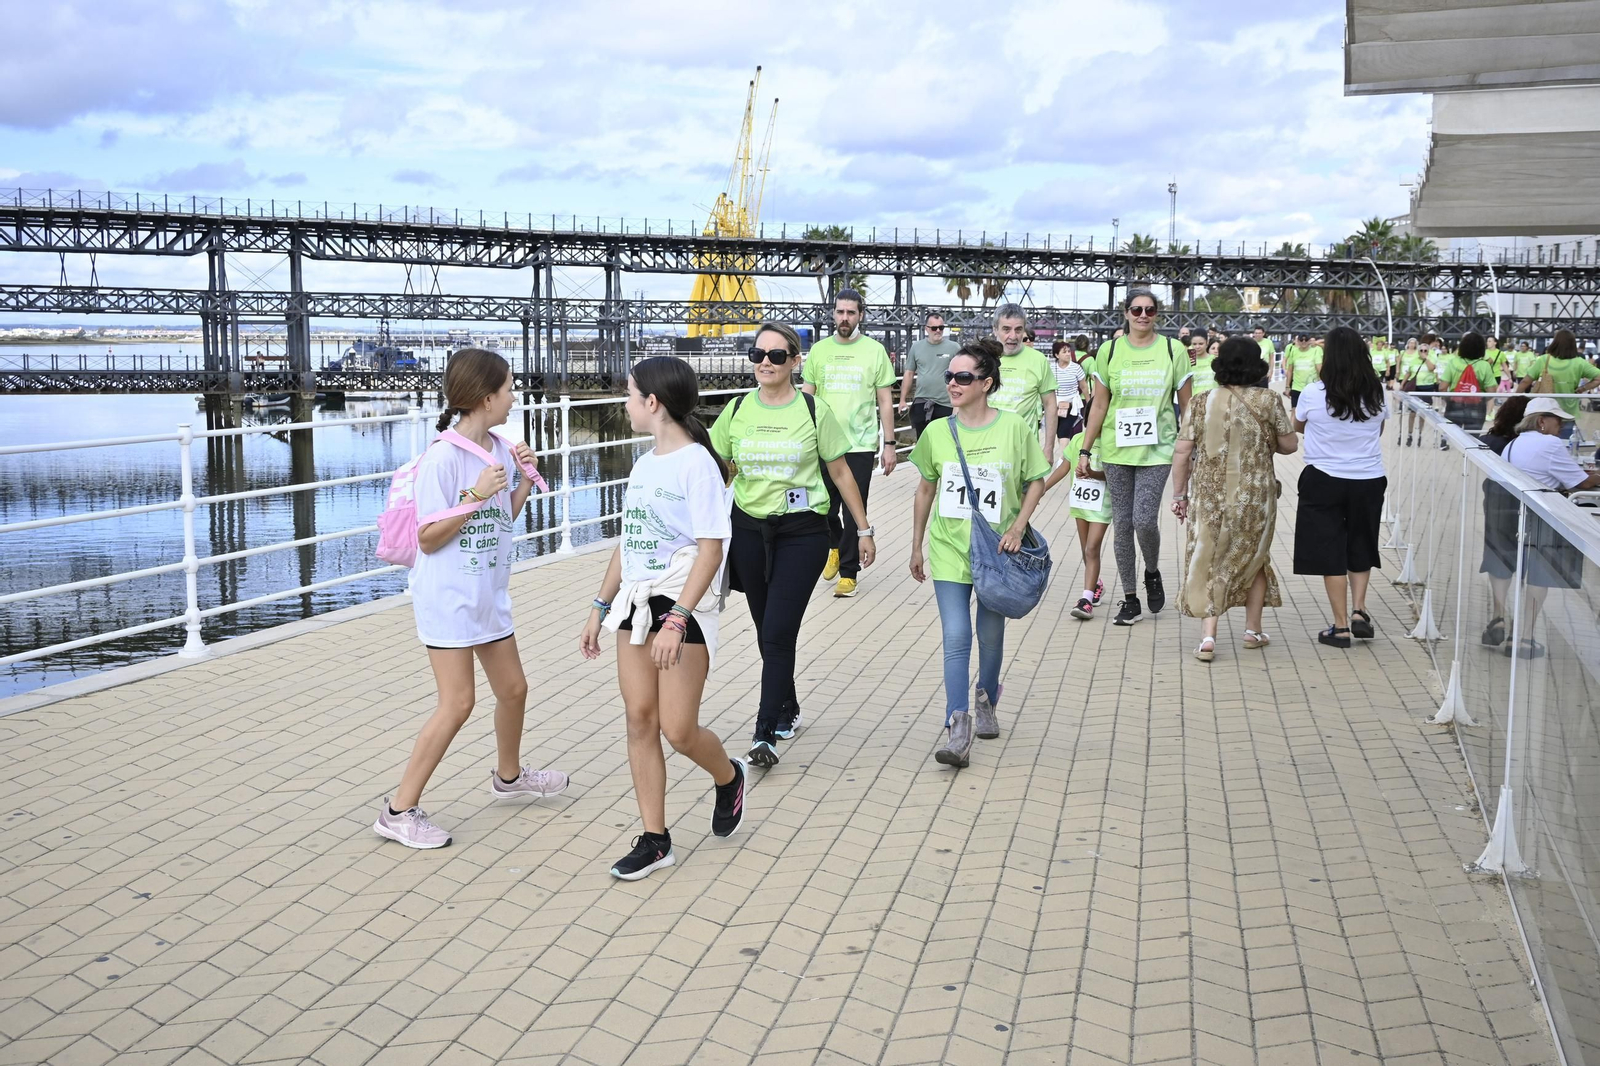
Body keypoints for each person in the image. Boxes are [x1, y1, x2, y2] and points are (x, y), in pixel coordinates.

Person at [375, 348, 568, 850]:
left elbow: (503, 518)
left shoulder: (500, 447)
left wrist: (524, 479)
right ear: (486, 397)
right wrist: (474, 495)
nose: (514, 397)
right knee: (458, 702)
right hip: (448, 596)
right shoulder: (442, 458)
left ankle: (508, 778)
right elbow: (428, 538)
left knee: (514, 689)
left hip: (487, 589)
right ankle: (399, 810)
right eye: (508, 389)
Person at [579, 357, 746, 880]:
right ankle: (656, 839)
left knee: (678, 728)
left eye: (629, 395)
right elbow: (630, 543)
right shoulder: (645, 463)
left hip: (680, 602)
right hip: (635, 600)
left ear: (653, 403)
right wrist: (599, 606)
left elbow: (711, 551)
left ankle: (728, 776)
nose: (625, 404)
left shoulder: (697, 463)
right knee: (639, 720)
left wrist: (677, 619)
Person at [714, 322, 876, 767]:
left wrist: (862, 529)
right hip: (748, 530)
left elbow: (841, 472)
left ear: (795, 361)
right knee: (768, 629)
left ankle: (764, 733)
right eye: (757, 354)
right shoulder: (735, 410)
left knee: (779, 631)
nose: (765, 362)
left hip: (803, 532)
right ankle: (788, 706)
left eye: (777, 355)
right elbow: (719, 470)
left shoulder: (813, 410)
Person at [908, 339, 1048, 767]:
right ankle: (957, 723)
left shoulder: (1013, 429)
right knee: (956, 636)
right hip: (950, 548)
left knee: (990, 635)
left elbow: (1037, 480)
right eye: (950, 376)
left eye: (963, 377)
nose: (952, 383)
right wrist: (915, 544)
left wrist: (1019, 525)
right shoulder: (935, 432)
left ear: (986, 384)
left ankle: (986, 697)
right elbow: (926, 488)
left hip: (997, 551)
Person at [1170, 339, 1299, 660]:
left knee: (1211, 558)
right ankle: (1252, 632)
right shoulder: (1268, 401)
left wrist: (1179, 494)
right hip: (1255, 498)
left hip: (1209, 497)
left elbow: (1182, 452)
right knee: (1254, 557)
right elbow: (1289, 445)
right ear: (1256, 366)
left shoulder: (1200, 402)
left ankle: (1208, 638)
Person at [1078, 289, 1193, 626]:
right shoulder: (1109, 351)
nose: (1143, 315)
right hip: (1116, 450)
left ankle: (1152, 571)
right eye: (1136, 309)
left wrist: (1191, 447)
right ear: (1126, 313)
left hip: (1158, 450)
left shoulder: (1174, 350)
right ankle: (1130, 598)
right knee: (1123, 525)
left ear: (1158, 314)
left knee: (1144, 519)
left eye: (1150, 310)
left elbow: (1187, 406)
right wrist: (1085, 449)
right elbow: (1099, 404)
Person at [1292, 328, 1389, 648]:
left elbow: (1297, 426)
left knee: (1330, 552)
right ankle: (1360, 611)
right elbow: (1380, 429)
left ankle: (1341, 626)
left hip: (1324, 479)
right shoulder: (1377, 392)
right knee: (1361, 544)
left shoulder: (1313, 392)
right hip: (1369, 479)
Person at [803, 289, 895, 598]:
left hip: (860, 443)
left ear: (860, 315)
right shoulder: (819, 351)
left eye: (851, 313)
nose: (845, 318)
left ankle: (848, 572)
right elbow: (808, 396)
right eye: (840, 312)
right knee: (821, 506)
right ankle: (834, 545)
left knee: (854, 508)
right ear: (834, 313)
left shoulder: (874, 351)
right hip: (823, 442)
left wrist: (890, 443)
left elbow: (885, 400)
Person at [1493, 396, 1600, 657]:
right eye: (1557, 420)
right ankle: (1525, 637)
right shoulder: (1550, 443)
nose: (1561, 425)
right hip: (1541, 518)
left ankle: (1512, 630)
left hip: (1514, 514)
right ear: (1542, 421)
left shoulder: (1515, 443)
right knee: (1541, 576)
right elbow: (1581, 483)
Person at [1040, 411, 1111, 621]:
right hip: (1081, 503)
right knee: (1085, 551)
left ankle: (1086, 600)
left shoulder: (1110, 442)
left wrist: (1093, 473)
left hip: (1102, 506)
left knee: (1092, 548)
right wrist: (1043, 488)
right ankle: (1096, 584)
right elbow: (1065, 466)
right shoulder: (1079, 439)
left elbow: (1113, 474)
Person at [1476, 394, 1530, 649]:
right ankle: (1525, 633)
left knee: (1498, 555)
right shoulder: (1535, 444)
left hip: (1498, 502)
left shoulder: (1492, 441)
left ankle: (1498, 615)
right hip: (1532, 507)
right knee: (1534, 564)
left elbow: (1481, 442)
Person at [988, 304, 1058, 463]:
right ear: (995, 329)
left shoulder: (1038, 360)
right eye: (1006, 329)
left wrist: (1048, 448)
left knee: (1028, 489)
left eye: (1018, 330)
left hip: (1024, 450)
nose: (1013, 336)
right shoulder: (982, 357)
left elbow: (1050, 404)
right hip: (985, 446)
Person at [1515, 328, 1600, 436]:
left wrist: (1516, 396)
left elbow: (1525, 381)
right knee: (1564, 445)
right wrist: (1583, 388)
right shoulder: (1579, 363)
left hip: (1543, 412)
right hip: (1567, 412)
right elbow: (1598, 378)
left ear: (1555, 343)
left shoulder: (1544, 360)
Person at [899, 310, 960, 439]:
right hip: (922, 402)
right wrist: (902, 400)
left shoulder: (954, 348)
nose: (938, 330)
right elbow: (909, 374)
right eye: (934, 328)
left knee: (944, 442)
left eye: (941, 327)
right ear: (927, 329)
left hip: (946, 404)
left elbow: (962, 375)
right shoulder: (916, 347)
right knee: (923, 442)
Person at [1438, 331, 1497, 432]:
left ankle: (1445, 444)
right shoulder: (1484, 365)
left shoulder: (1454, 362)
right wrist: (1482, 400)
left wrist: (1448, 399)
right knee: (1472, 438)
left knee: (1454, 435)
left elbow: (1442, 387)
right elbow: (1491, 390)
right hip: (1476, 405)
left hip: (1455, 404)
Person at [1052, 337, 1088, 443]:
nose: (1068, 354)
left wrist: (1089, 403)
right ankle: (1063, 456)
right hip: (1056, 405)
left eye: (1069, 351)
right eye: (1064, 352)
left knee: (1064, 432)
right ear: (1056, 355)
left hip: (1072, 405)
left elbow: (1084, 386)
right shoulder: (1051, 368)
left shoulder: (1076, 368)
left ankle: (1062, 458)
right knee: (1059, 432)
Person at [1284, 332, 1322, 408]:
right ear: (1298, 341)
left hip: (1312, 387)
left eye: (1306, 339)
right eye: (1301, 340)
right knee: (1295, 411)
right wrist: (1287, 386)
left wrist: (1322, 385)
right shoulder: (1293, 351)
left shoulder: (1316, 350)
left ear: (1309, 340)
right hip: (1296, 387)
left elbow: (1319, 369)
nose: (1303, 342)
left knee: (1310, 411)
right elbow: (1290, 370)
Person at [1188, 332, 1218, 396]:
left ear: (1207, 342)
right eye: (1194, 344)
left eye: (1201, 344)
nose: (1197, 347)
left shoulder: (1214, 360)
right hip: (1195, 401)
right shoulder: (1189, 362)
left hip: (1213, 400)